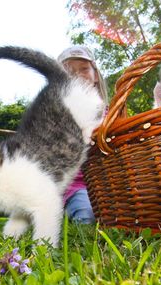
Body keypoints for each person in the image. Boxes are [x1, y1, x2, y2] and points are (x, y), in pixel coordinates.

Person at [57, 45, 109, 224]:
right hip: (77, 187)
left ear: (95, 75)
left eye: (84, 69)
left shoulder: (110, 114)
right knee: (87, 214)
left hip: (111, 186)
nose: (78, 75)